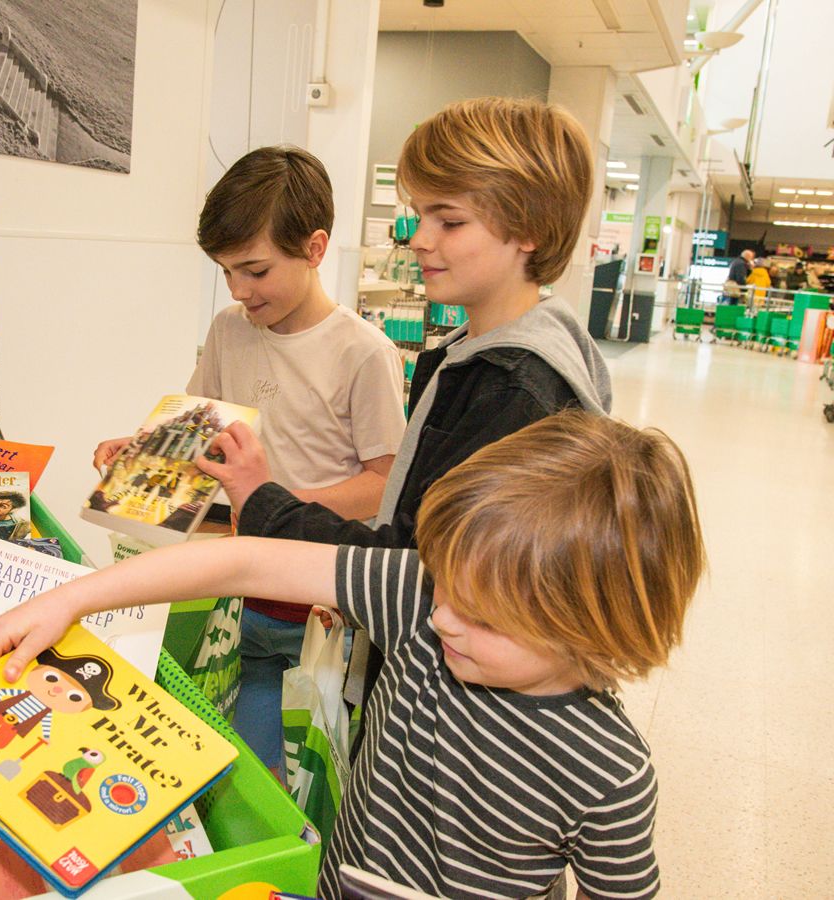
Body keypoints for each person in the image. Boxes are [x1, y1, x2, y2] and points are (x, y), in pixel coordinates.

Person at [0, 411, 707, 900]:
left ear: (592, 629)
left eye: (479, 616)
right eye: (442, 582)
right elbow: (247, 564)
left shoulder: (609, 772)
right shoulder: (422, 596)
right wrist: (72, 599)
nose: (443, 615)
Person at [196, 98, 611, 720]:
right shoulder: (474, 356)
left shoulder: (515, 389)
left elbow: (413, 568)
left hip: (455, 708)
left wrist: (263, 500)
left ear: (529, 227)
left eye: (449, 221)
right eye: (419, 216)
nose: (419, 240)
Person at [92, 146, 406, 773]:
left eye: (256, 271)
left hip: (318, 606)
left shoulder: (362, 352)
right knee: (228, 754)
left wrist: (268, 501)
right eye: (226, 271)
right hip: (232, 594)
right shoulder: (230, 330)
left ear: (315, 249)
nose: (239, 290)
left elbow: (383, 484)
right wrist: (142, 452)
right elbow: (200, 430)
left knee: (303, 772)